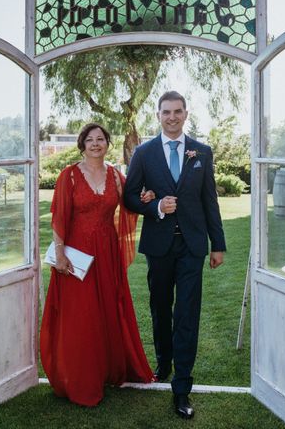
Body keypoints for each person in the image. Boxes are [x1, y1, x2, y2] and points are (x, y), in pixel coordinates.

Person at [124, 91, 226, 420]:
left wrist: (218, 244)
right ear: (158, 115)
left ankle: (181, 388)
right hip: (159, 246)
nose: (172, 117)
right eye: (166, 112)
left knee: (186, 314)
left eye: (177, 111)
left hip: (192, 247)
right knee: (160, 308)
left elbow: (210, 201)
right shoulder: (144, 153)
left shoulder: (203, 153)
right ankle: (164, 362)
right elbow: (128, 197)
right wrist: (154, 206)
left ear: (185, 113)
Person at [40, 123, 155, 406]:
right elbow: (59, 217)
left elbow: (130, 203)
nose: (95, 144)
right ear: (82, 145)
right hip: (76, 254)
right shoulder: (68, 176)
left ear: (107, 143)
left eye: (100, 139)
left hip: (106, 252)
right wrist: (60, 253)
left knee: (106, 309)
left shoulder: (116, 175)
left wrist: (145, 198)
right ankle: (79, 378)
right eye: (89, 140)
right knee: (80, 314)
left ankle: (106, 369)